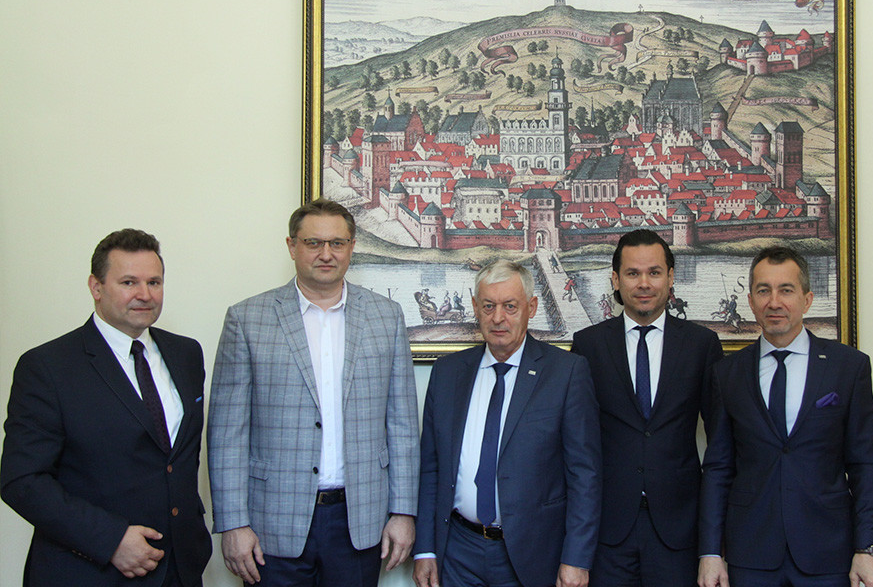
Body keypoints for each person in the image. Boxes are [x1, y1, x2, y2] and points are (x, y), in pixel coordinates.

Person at [207, 198, 419, 587]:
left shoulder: (386, 317)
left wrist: (403, 512)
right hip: (272, 523)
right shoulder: (246, 319)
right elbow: (227, 432)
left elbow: (402, 425)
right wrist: (233, 523)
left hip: (361, 520)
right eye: (313, 243)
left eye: (337, 243)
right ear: (292, 246)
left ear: (352, 247)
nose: (326, 254)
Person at [0, 229, 211, 587]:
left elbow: (178, 460)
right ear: (96, 287)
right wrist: (111, 540)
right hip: (89, 571)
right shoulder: (48, 366)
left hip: (179, 569)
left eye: (154, 282)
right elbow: (22, 481)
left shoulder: (186, 354)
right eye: (129, 282)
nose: (145, 294)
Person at [698, 246, 873, 587]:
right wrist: (710, 553)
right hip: (750, 555)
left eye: (786, 290)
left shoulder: (849, 368)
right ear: (751, 301)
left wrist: (868, 547)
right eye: (763, 291)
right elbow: (718, 469)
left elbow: (865, 466)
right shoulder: (727, 374)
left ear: (807, 299)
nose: (774, 302)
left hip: (828, 553)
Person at [414, 259, 602, 587]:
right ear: (475, 308)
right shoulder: (447, 373)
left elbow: (584, 475)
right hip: (457, 551)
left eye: (510, 306)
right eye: (488, 306)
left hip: (532, 554)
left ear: (532, 307)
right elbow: (431, 469)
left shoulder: (566, 372)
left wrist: (576, 558)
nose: (498, 318)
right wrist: (425, 549)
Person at [570, 229, 723, 587]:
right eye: (632, 273)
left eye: (654, 272)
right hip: (607, 529)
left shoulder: (702, 345)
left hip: (680, 529)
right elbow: (575, 443)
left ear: (670, 277)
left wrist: (713, 544)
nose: (644, 283)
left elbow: (721, 446)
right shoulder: (588, 346)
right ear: (615, 279)